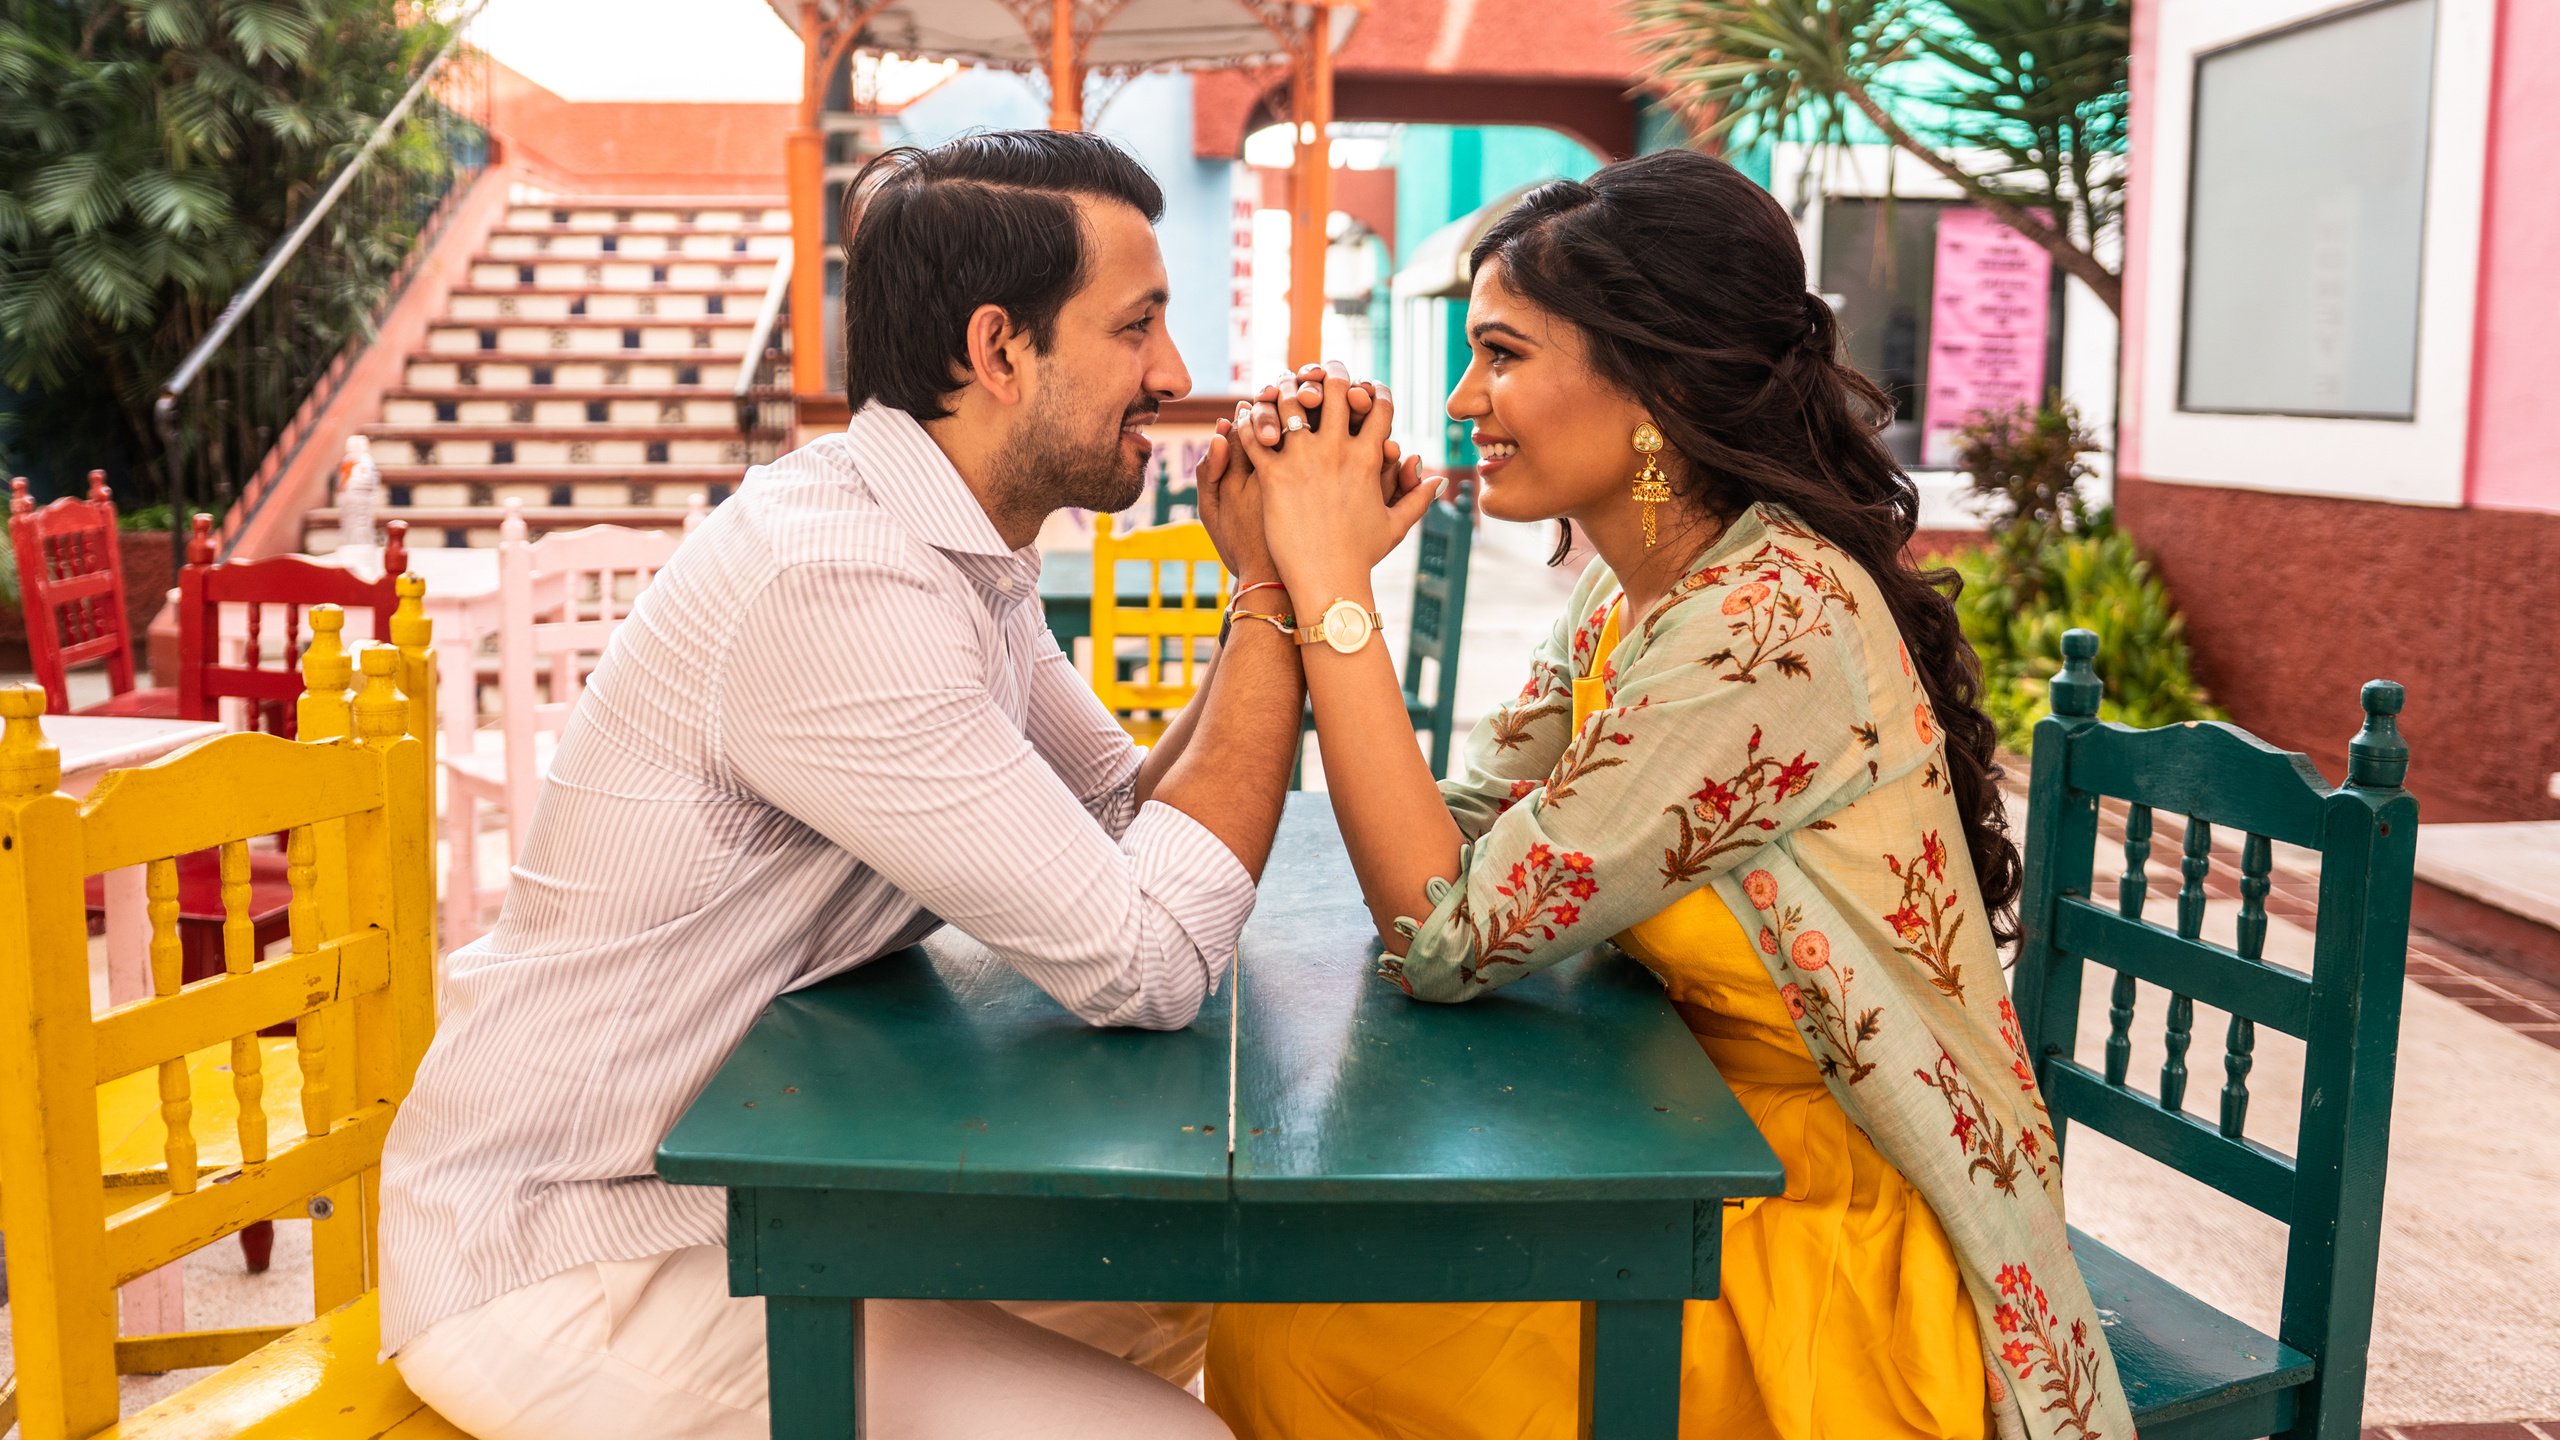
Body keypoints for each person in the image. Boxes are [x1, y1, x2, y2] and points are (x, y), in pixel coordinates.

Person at [377, 130, 1319, 1440]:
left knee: (1177, 1303)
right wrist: (1286, 595)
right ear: (998, 351)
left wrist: (1257, 594)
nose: (1177, 376)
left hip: (758, 1195)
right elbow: (1146, 960)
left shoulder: (952, 550)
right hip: (580, 1248)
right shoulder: (838, 585)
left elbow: (1110, 819)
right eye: (1138, 326)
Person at [1201, 150, 2137, 1440]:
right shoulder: (1632, 593)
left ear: (1651, 385)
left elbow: (1443, 937)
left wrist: (1328, 588)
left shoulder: (1768, 625)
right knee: (1311, 1301)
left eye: (1504, 353)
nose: (1468, 398)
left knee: (1309, 1327)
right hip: (1675, 1141)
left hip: (1829, 1230)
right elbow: (1471, 829)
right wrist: (1302, 579)